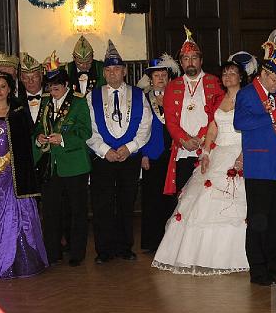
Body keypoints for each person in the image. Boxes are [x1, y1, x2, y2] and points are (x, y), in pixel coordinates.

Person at [152, 54, 250, 275]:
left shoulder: (247, 98)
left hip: (239, 151)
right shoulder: (219, 99)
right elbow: (213, 127)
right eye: (225, 73)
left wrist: (243, 155)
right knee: (201, 202)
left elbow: (250, 130)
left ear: (241, 77)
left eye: (233, 73)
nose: (228, 76)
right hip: (218, 152)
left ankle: (237, 255)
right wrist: (205, 152)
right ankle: (199, 255)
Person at [233, 39, 276, 286]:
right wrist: (272, 116)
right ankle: (258, 269)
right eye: (274, 79)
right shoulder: (247, 94)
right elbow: (240, 123)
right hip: (260, 166)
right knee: (259, 221)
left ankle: (275, 262)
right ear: (263, 73)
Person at [86, 41, 152, 264]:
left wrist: (129, 148)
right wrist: (105, 150)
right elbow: (89, 129)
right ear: (104, 73)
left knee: (126, 203)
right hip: (103, 159)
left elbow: (145, 125)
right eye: (108, 69)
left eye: (116, 69)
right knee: (102, 204)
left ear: (124, 71)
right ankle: (104, 249)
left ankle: (125, 247)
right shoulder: (92, 97)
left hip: (129, 158)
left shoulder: (138, 94)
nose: (112, 73)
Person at [33, 54, 92, 267]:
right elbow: (38, 128)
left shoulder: (78, 101)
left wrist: (63, 139)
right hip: (51, 165)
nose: (53, 88)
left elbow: (85, 131)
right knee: (51, 211)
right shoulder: (45, 102)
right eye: (50, 85)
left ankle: (77, 252)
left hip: (74, 164)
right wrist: (39, 138)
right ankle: (52, 252)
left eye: (57, 84)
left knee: (77, 211)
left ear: (66, 84)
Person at [163, 27, 225, 200]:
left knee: (208, 197)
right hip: (184, 150)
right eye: (186, 58)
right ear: (181, 63)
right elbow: (170, 120)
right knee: (184, 198)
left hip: (209, 149)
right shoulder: (172, 86)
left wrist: (202, 137)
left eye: (194, 58)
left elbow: (218, 115)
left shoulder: (215, 82)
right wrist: (184, 139)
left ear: (201, 60)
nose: (190, 62)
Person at [0, 72, 48, 279]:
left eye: (2, 86)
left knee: (16, 216)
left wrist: (8, 160)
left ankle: (17, 262)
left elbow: (26, 143)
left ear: (9, 89)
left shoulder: (18, 112)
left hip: (14, 175)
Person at [137, 54, 180, 253]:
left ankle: (172, 242)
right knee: (152, 199)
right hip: (152, 154)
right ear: (150, 79)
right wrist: (143, 154)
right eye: (156, 76)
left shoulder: (177, 97)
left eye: (164, 75)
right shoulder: (143, 99)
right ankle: (152, 242)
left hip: (174, 153)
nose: (160, 79)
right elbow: (139, 128)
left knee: (172, 198)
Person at [19, 52, 44, 124]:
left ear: (41, 76)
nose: (30, 81)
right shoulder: (16, 100)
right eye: (26, 78)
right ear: (21, 79)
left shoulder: (51, 96)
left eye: (34, 77)